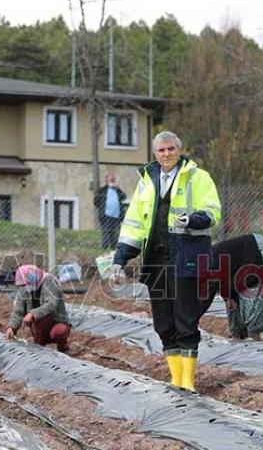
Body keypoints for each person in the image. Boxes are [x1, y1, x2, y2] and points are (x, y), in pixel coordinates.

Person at [108, 130, 221, 392]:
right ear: (155, 154)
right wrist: (120, 259)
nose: (166, 154)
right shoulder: (147, 182)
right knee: (163, 322)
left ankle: (188, 383)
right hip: (156, 261)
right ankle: (175, 379)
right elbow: (134, 224)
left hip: (186, 259)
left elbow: (213, 210)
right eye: (161, 150)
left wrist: (193, 219)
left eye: (171, 149)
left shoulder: (198, 177)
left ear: (179, 150)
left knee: (185, 319)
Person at [201, 233, 263, 340]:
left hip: (257, 248)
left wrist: (192, 319)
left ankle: (256, 337)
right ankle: (238, 334)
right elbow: (223, 280)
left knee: (253, 295)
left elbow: (205, 298)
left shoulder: (207, 265)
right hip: (238, 264)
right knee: (232, 305)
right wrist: (229, 298)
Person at [5, 264, 71, 352]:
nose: (25, 287)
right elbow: (18, 311)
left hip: (56, 320)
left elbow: (51, 304)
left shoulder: (49, 281)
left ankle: (63, 348)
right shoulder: (24, 289)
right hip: (39, 324)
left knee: (58, 332)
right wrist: (12, 327)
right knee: (39, 336)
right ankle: (40, 347)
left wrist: (32, 314)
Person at [94, 173, 127, 249]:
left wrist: (118, 189)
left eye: (113, 179)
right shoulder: (103, 190)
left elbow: (124, 197)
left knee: (114, 232)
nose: (112, 181)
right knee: (105, 232)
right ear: (107, 180)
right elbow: (96, 201)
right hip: (105, 215)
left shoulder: (117, 190)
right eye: (110, 179)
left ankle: (114, 248)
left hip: (116, 215)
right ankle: (104, 247)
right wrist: (102, 207)